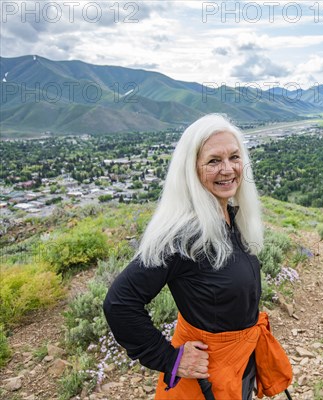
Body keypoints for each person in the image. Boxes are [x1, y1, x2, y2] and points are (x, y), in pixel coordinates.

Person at [103, 114, 292, 399]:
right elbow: (120, 302)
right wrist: (170, 359)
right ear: (192, 170)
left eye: (234, 157)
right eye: (214, 161)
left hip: (235, 366)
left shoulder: (229, 216)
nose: (228, 169)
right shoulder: (184, 235)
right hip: (205, 383)